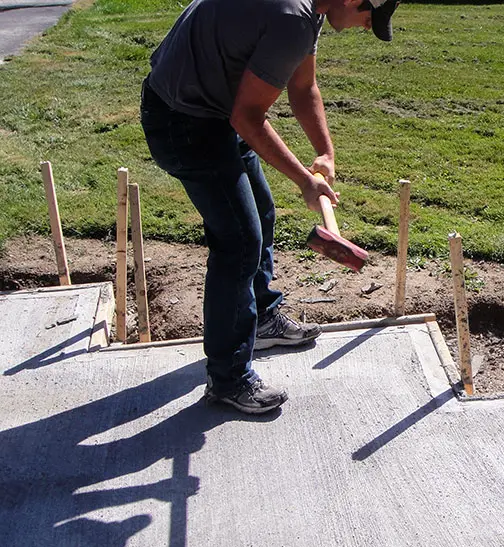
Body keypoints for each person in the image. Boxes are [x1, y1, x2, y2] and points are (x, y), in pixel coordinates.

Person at [139, 0, 400, 414]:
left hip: (212, 110)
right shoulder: (291, 18)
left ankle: (259, 318)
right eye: (368, 18)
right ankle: (228, 378)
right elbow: (248, 115)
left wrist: (325, 154)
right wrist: (304, 181)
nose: (366, 28)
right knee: (240, 241)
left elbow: (302, 87)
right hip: (183, 120)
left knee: (259, 211)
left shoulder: (310, 10)